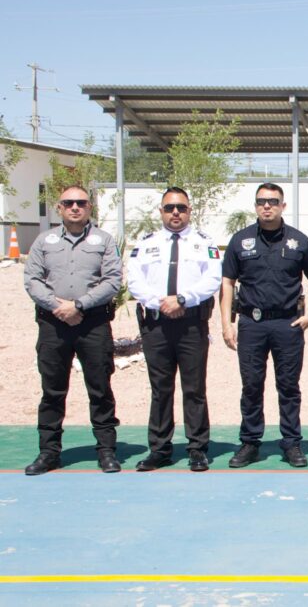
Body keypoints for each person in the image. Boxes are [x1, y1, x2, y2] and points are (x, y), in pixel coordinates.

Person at [220, 183, 308, 468]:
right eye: (261, 201)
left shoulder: (298, 241)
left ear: (283, 206)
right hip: (251, 324)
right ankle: (250, 442)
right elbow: (228, 282)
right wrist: (226, 324)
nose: (267, 206)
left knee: (288, 386)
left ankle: (291, 442)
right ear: (255, 206)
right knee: (251, 386)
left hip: (287, 324)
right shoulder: (240, 240)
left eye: (273, 201)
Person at [23, 185, 122, 475]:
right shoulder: (44, 241)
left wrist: (78, 305)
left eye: (80, 202)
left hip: (93, 323)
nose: (75, 207)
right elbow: (32, 280)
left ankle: (106, 451)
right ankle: (49, 452)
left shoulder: (104, 240)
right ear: (59, 208)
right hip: (53, 324)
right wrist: (59, 307)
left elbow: (112, 280)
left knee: (100, 388)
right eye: (68, 203)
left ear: (89, 207)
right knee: (52, 390)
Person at [126, 187, 221, 472]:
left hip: (191, 324)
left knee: (194, 388)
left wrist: (182, 299)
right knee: (160, 389)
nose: (175, 213)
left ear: (189, 210)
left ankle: (197, 448)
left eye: (181, 207)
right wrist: (161, 302)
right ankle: (159, 449)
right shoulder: (146, 244)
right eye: (169, 208)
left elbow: (212, 279)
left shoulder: (204, 243)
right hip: (156, 324)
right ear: (161, 211)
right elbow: (135, 281)